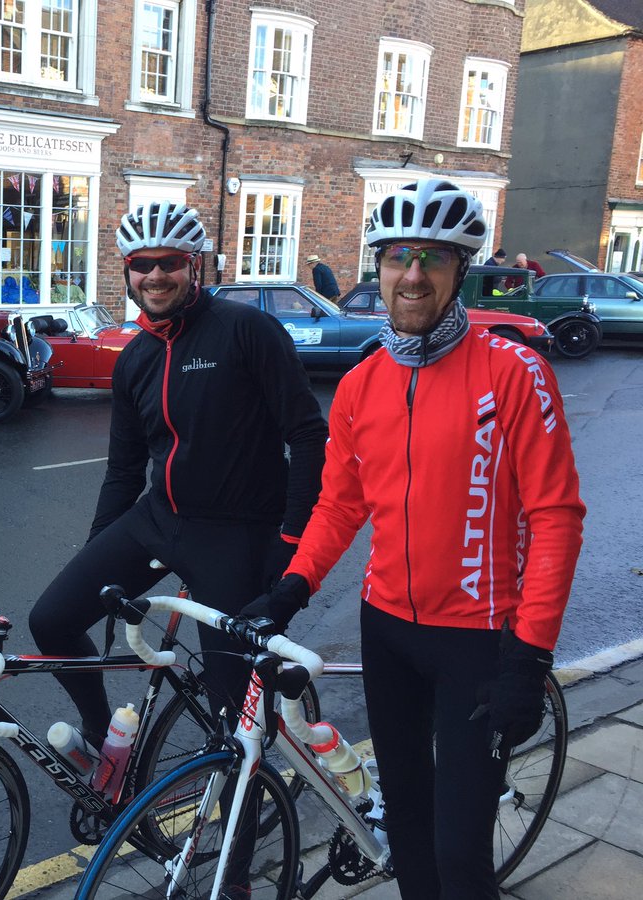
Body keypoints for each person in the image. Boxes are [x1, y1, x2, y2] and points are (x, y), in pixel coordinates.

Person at [246, 179, 584, 899]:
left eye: (434, 258)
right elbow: (341, 504)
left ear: (460, 269)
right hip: (388, 633)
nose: (413, 275)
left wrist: (529, 655)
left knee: (461, 862)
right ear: (378, 266)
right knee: (409, 835)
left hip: (479, 641)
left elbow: (556, 517)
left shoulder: (514, 372)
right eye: (398, 257)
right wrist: (292, 589)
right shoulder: (365, 381)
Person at [29, 200, 328, 763]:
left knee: (231, 714)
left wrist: (289, 543)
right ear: (127, 271)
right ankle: (101, 738)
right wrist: (98, 549)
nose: (156, 275)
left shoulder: (247, 330)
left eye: (170, 262)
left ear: (194, 265)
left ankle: (246, 818)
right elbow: (124, 468)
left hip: (235, 534)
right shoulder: (135, 358)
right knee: (52, 620)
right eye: (143, 263)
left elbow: (309, 438)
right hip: (157, 521)